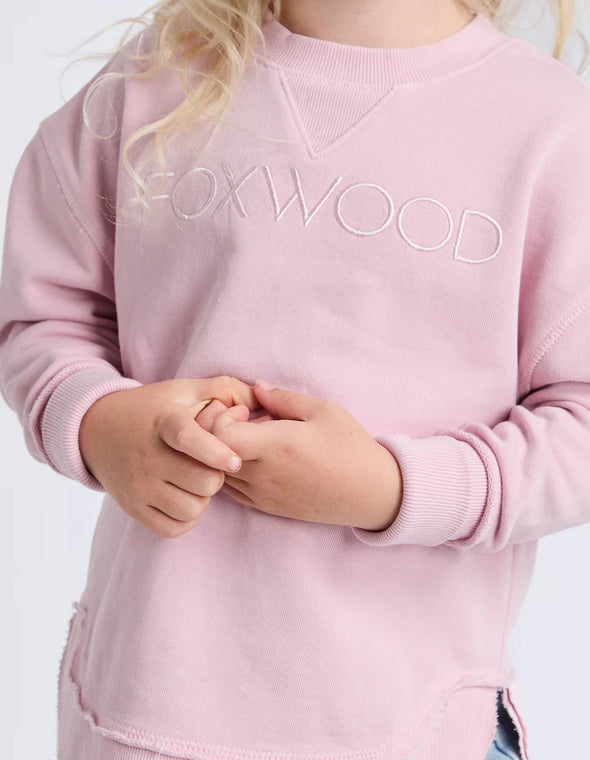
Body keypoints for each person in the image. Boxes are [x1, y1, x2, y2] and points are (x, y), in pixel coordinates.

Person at [1, 0, 589, 757]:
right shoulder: (153, 83)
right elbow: (43, 313)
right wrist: (98, 421)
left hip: (410, 729)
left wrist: (393, 487)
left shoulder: (553, 130)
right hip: (142, 713)